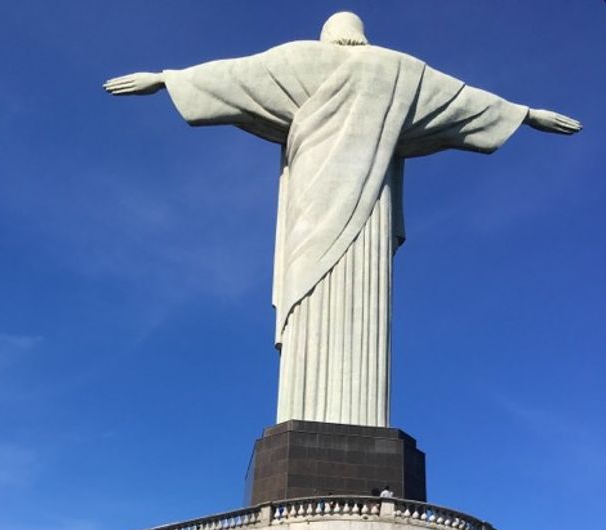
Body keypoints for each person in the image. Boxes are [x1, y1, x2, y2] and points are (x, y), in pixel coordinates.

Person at [105, 13, 580, 430]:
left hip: (316, 201)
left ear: (328, 36)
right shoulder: (399, 69)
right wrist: (526, 114)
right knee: (350, 300)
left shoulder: (297, 60)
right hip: (369, 204)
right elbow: (461, 100)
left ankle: (318, 413)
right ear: (362, 36)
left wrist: (166, 79)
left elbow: (235, 76)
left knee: (317, 294)